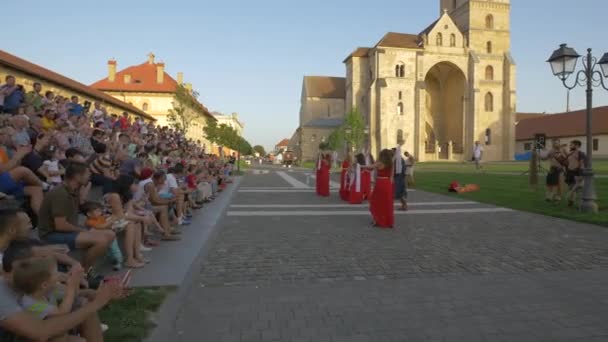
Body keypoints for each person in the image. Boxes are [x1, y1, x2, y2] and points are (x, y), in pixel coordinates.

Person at [0, 241, 123, 342]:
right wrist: (97, 302)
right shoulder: (5, 293)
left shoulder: (34, 284)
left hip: (40, 330)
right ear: (19, 266)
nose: (45, 262)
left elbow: (72, 295)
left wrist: (99, 294)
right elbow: (41, 332)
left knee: (82, 304)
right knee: (59, 336)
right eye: (41, 259)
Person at [37, 162, 115, 270]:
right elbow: (60, 225)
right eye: (87, 174)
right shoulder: (61, 194)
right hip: (51, 235)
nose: (90, 177)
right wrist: (83, 230)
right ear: (77, 176)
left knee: (110, 234)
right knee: (101, 240)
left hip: (65, 231)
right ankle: (83, 273)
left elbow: (82, 204)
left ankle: (85, 269)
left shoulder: (74, 190)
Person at [13, 256, 86, 341]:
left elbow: (74, 294)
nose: (59, 274)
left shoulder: (48, 290)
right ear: (44, 284)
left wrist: (75, 280)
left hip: (54, 333)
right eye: (55, 273)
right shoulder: (31, 304)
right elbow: (62, 313)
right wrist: (71, 287)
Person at [366, 149, 394, 228]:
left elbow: (370, 167)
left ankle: (377, 220)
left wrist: (360, 166)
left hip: (380, 183)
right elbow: (392, 176)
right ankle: (389, 221)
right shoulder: (391, 163)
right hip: (388, 183)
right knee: (387, 203)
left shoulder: (379, 163)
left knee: (376, 202)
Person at [565, 140, 586, 208]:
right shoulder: (570, 153)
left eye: (571, 145)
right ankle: (571, 203)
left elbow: (581, 164)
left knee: (576, 190)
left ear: (577, 145)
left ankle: (580, 204)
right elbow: (568, 162)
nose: (570, 146)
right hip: (570, 173)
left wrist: (579, 174)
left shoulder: (581, 153)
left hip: (577, 173)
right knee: (570, 188)